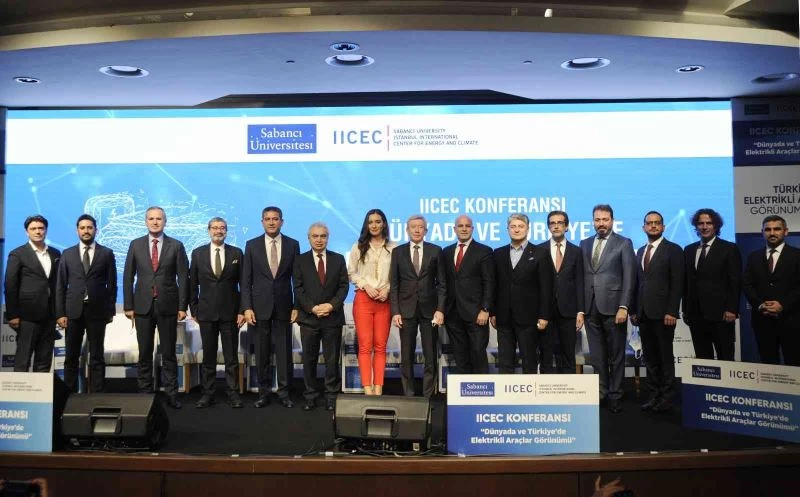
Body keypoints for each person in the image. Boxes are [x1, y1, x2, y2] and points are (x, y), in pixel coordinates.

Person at [123, 206, 189, 409]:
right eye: (151, 218)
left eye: (158, 219)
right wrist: (128, 305)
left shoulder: (176, 245)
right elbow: (128, 276)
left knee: (169, 353)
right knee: (144, 352)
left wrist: (182, 306)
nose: (155, 222)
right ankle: (145, 394)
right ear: (145, 221)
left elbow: (183, 278)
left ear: (165, 222)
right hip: (142, 306)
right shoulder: (135, 245)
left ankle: (171, 394)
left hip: (168, 305)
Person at [241, 206, 300, 408]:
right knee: (262, 352)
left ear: (282, 221)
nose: (272, 222)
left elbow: (297, 279)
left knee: (284, 353)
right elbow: (246, 280)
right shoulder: (252, 245)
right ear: (262, 222)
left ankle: (284, 393)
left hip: (284, 306)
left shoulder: (293, 244)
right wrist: (247, 307)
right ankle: (263, 393)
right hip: (259, 307)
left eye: (275, 219)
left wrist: (297, 305)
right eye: (268, 219)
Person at [580, 204, 635, 413]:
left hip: (614, 308)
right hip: (590, 308)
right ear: (593, 221)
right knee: (597, 357)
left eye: (605, 219)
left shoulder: (623, 243)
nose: (601, 223)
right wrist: (581, 309)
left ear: (612, 220)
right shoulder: (584, 243)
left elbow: (629, 277)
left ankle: (616, 395)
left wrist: (624, 306)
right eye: (597, 220)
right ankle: (601, 392)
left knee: (616, 355)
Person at [55, 214, 117, 393]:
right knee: (71, 356)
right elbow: (60, 285)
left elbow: (112, 285)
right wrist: (60, 313)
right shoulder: (67, 254)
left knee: (97, 355)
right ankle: (69, 394)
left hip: (98, 311)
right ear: (77, 231)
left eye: (89, 227)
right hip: (73, 311)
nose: (86, 231)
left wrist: (110, 311)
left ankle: (97, 393)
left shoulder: (106, 253)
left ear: (96, 230)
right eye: (82, 228)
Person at [630, 211, 684, 412]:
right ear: (644, 227)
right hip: (643, 314)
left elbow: (677, 283)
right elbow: (637, 284)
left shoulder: (673, 249)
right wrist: (634, 310)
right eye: (649, 223)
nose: (653, 226)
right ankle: (653, 395)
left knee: (664, 357)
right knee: (650, 358)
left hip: (664, 315)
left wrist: (672, 311)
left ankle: (667, 397)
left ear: (663, 227)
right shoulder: (640, 251)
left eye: (657, 223)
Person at [189, 217, 245, 408]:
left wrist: (242, 310)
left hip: (231, 314)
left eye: (222, 228)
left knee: (231, 358)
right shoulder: (198, 253)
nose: (218, 231)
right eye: (215, 228)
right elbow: (192, 284)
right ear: (208, 230)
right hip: (206, 314)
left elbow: (244, 284)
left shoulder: (236, 253)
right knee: (208, 357)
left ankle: (233, 393)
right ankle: (207, 394)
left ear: (226, 231)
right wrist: (194, 309)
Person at [293, 222, 349, 411]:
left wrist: (331, 306)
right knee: (309, 360)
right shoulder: (300, 260)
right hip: (309, 319)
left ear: (328, 238)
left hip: (332, 318)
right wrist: (312, 308)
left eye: (323, 236)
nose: (319, 240)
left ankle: (332, 396)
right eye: (315, 236)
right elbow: (298, 288)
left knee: (332, 360)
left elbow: (344, 287)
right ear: (309, 238)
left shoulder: (338, 259)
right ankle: (310, 395)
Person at [389, 215, 446, 397]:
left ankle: (428, 395)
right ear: (407, 230)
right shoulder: (398, 252)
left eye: (420, 227)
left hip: (430, 311)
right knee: (406, 355)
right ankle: (409, 395)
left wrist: (440, 309)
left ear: (425, 230)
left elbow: (442, 284)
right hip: (406, 310)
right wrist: (395, 311)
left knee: (430, 354)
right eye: (413, 227)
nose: (416, 230)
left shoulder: (435, 251)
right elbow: (394, 284)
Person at [491, 213, 552, 374]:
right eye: (513, 226)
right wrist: (493, 312)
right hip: (504, 317)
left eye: (520, 226)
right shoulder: (498, 253)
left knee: (529, 361)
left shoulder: (540, 253)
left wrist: (544, 315)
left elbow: (546, 287)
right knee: (505, 362)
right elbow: (494, 285)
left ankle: (530, 391)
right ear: (507, 229)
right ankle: (505, 391)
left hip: (529, 317)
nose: (516, 230)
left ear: (527, 229)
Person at [348, 208, 396, 395]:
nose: (374, 225)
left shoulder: (394, 248)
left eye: (378, 221)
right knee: (365, 346)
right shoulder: (358, 247)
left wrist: (388, 289)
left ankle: (378, 388)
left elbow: (397, 275)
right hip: (364, 299)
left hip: (385, 300)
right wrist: (365, 285)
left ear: (384, 224)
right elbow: (351, 273)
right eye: (370, 222)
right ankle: (367, 389)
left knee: (381, 346)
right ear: (366, 225)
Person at [683, 208, 741, 361]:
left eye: (708, 223)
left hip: (722, 315)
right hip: (696, 316)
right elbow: (686, 282)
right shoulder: (689, 250)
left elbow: (735, 281)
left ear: (716, 226)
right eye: (700, 223)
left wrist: (732, 309)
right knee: (703, 360)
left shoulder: (729, 248)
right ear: (696, 226)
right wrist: (685, 310)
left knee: (725, 358)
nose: (704, 227)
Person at [4, 215, 61, 373]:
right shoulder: (17, 254)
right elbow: (10, 285)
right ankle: (18, 390)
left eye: (41, 228)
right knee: (23, 360)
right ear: (26, 232)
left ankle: (41, 390)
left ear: (46, 230)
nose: (37, 231)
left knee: (44, 361)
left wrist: (59, 312)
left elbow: (58, 284)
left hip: (49, 315)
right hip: (26, 315)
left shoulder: (55, 254)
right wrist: (13, 314)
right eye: (33, 228)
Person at [441, 214, 495, 374]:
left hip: (476, 313)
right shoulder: (446, 252)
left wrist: (485, 309)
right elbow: (443, 283)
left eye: (467, 226)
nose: (464, 229)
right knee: (460, 356)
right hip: (453, 313)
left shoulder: (484, 251)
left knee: (478, 354)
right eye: (460, 226)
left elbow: (489, 282)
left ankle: (482, 389)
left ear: (472, 229)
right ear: (454, 229)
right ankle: (464, 390)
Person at [742, 215, 800, 366]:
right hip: (762, 320)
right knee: (768, 365)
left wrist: (783, 305)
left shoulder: (797, 255)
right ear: (762, 232)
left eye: (777, 229)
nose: (772, 233)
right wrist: (760, 305)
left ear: (785, 231)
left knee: (794, 365)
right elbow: (747, 284)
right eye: (768, 229)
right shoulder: (754, 256)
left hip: (791, 320)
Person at [539, 210, 585, 374]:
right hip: (545, 312)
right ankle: (544, 389)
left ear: (566, 227)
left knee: (568, 355)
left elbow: (580, 282)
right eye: (552, 223)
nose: (556, 226)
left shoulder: (576, 251)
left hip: (569, 311)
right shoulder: (539, 250)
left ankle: (570, 389)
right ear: (548, 227)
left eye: (560, 223)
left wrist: (580, 311)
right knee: (545, 354)